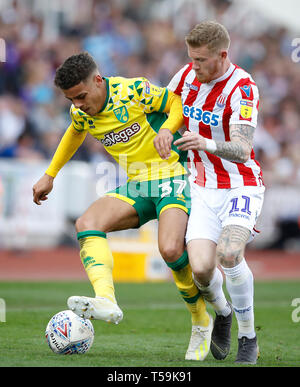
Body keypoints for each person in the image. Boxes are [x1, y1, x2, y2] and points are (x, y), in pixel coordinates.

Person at [32, 52, 213, 361]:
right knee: (86, 223)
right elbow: (75, 132)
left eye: (82, 96)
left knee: (170, 250)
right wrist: (50, 174)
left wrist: (168, 129)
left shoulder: (133, 91)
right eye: (71, 100)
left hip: (174, 175)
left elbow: (175, 103)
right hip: (138, 185)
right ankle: (106, 299)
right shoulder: (82, 113)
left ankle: (200, 320)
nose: (78, 104)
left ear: (98, 80)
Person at [154, 21, 264, 364]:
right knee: (201, 270)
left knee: (229, 255)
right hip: (202, 187)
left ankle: (248, 337)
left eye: (201, 60)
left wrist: (206, 143)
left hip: (239, 183)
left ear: (222, 55)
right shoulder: (186, 75)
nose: (194, 66)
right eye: (191, 58)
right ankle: (224, 313)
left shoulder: (243, 88)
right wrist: (167, 131)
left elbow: (244, 148)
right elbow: (165, 104)